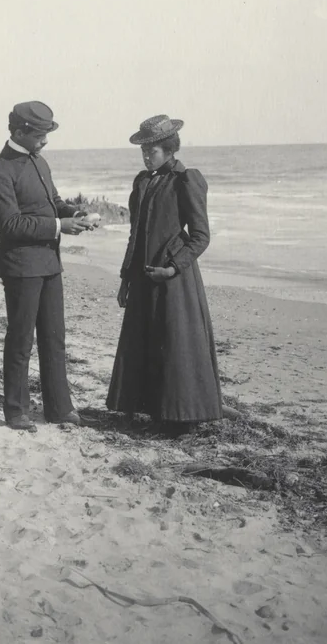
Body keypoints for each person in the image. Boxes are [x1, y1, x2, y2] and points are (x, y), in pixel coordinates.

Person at [106, 115, 229, 433]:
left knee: (177, 344)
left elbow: (201, 236)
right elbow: (136, 234)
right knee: (147, 341)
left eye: (153, 151)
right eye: (144, 152)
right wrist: (125, 279)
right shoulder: (142, 182)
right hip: (144, 277)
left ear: (169, 149)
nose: (147, 157)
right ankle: (152, 410)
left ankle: (183, 418)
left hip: (175, 279)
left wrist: (174, 267)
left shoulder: (186, 180)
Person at [0, 101, 96, 432]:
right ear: (20, 133)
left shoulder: (39, 162)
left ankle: (59, 408)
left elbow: (54, 203)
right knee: (21, 340)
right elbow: (11, 225)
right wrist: (60, 228)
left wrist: (74, 213)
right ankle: (16, 411)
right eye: (40, 135)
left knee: (54, 338)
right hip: (20, 266)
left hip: (48, 262)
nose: (45, 141)